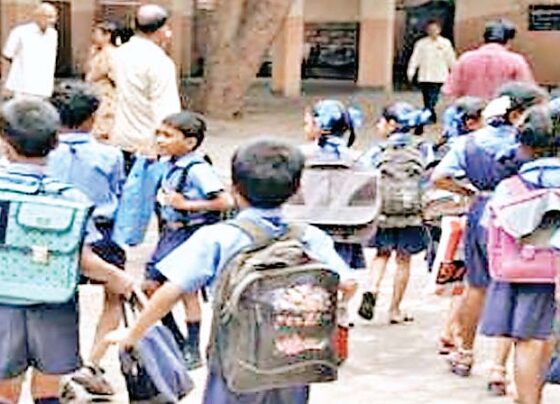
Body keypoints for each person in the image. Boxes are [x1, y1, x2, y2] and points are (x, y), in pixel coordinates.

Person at [108, 139, 357, 404]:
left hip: (235, 359)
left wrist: (133, 336)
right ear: (297, 190)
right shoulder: (310, 236)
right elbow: (348, 284)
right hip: (293, 361)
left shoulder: (218, 237)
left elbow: (171, 291)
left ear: (234, 189)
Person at [0, 97, 134, 404]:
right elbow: (85, 261)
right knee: (48, 388)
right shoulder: (71, 198)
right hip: (54, 301)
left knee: (5, 389)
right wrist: (119, 279)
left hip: (3, 302)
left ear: (5, 145)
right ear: (55, 143)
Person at [431, 82, 548, 381]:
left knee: (475, 285)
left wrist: (468, 192)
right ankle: (499, 368)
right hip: (521, 213)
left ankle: (464, 353)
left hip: (481, 211)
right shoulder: (531, 145)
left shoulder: (469, 142)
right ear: (517, 114)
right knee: (514, 285)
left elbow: (439, 177)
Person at [47, 81, 127, 397]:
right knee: (115, 295)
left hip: (55, 233)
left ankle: (63, 367)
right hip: (102, 232)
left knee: (62, 301)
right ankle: (92, 362)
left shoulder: (44, 153)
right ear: (92, 118)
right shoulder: (110, 155)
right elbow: (118, 192)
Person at [481, 103, 560, 404]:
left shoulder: (511, 186)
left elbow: (488, 225)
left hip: (527, 272)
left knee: (529, 340)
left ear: (525, 145)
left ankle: (529, 399)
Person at [139, 111, 231, 369]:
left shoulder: (197, 169)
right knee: (150, 286)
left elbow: (225, 201)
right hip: (170, 233)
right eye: (159, 134)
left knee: (187, 291)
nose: (160, 140)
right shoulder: (168, 164)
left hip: (190, 234)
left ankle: (191, 347)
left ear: (190, 142)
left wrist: (187, 205)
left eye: (168, 136)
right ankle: (175, 337)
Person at [358, 102, 433, 324]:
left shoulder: (379, 150)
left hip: (384, 212)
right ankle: (394, 310)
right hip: (411, 213)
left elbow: (365, 174)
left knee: (381, 254)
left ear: (391, 124)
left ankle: (371, 289)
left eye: (381, 121)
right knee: (403, 259)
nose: (378, 125)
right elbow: (429, 175)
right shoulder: (422, 148)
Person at [111, 3, 181, 171]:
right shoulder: (159, 62)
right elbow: (166, 108)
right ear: (161, 30)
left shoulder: (119, 54)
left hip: (121, 138)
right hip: (149, 145)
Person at [301, 99, 366, 269]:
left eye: (307, 124)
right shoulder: (357, 159)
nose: (305, 128)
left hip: (307, 229)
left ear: (318, 125)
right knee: (340, 275)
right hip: (344, 231)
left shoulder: (299, 156)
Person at [443, 19, 534, 100]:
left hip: (471, 111)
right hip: (502, 111)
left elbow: (450, 91)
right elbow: (527, 91)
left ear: (485, 38)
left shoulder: (465, 59)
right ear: (509, 40)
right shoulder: (516, 61)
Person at [1, 2, 58, 98]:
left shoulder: (53, 34)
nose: (52, 20)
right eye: (49, 17)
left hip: (44, 87)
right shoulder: (21, 32)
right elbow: (7, 55)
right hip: (23, 87)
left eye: (54, 17)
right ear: (38, 17)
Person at [407, 19, 456, 122]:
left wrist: (454, 72)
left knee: (433, 96)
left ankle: (429, 112)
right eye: (430, 29)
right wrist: (411, 71)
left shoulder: (445, 43)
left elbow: (451, 59)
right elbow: (415, 58)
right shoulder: (421, 43)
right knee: (426, 97)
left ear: (439, 30)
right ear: (427, 30)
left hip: (439, 75)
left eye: (435, 29)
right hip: (425, 75)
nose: (433, 31)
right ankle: (430, 113)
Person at [86, 21, 125, 142]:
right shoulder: (96, 51)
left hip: (106, 94)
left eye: (97, 33)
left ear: (107, 35)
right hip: (94, 91)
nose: (93, 36)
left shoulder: (112, 53)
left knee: (104, 127)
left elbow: (116, 76)